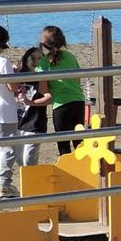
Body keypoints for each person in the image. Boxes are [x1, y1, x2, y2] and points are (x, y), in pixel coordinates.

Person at [36, 26, 85, 155]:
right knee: (79, 141)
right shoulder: (70, 56)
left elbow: (43, 90)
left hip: (61, 104)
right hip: (78, 101)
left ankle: (69, 171)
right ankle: (85, 169)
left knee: (63, 143)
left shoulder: (43, 62)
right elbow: (77, 80)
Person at [0, 26, 22, 199]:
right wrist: (16, 74)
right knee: (7, 148)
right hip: (4, 110)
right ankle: (4, 185)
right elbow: (12, 87)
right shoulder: (3, 63)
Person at [13, 47, 49, 177]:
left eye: (40, 59)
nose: (37, 62)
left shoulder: (40, 77)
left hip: (35, 123)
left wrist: (31, 102)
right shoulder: (18, 75)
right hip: (18, 122)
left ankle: (32, 184)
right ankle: (29, 182)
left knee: (29, 158)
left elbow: (48, 97)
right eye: (35, 59)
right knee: (18, 156)